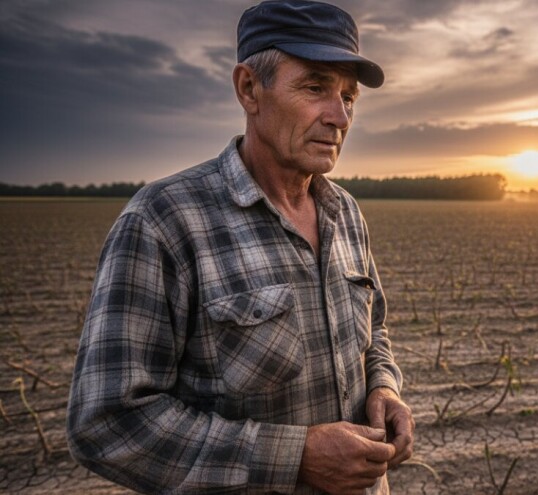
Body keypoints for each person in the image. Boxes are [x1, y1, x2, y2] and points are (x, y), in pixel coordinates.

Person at [66, 1, 414, 493]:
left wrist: (384, 388)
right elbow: (106, 423)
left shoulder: (346, 214)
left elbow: (373, 331)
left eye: (348, 96)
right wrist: (295, 457)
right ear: (249, 89)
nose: (339, 116)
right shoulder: (165, 221)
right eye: (315, 87)